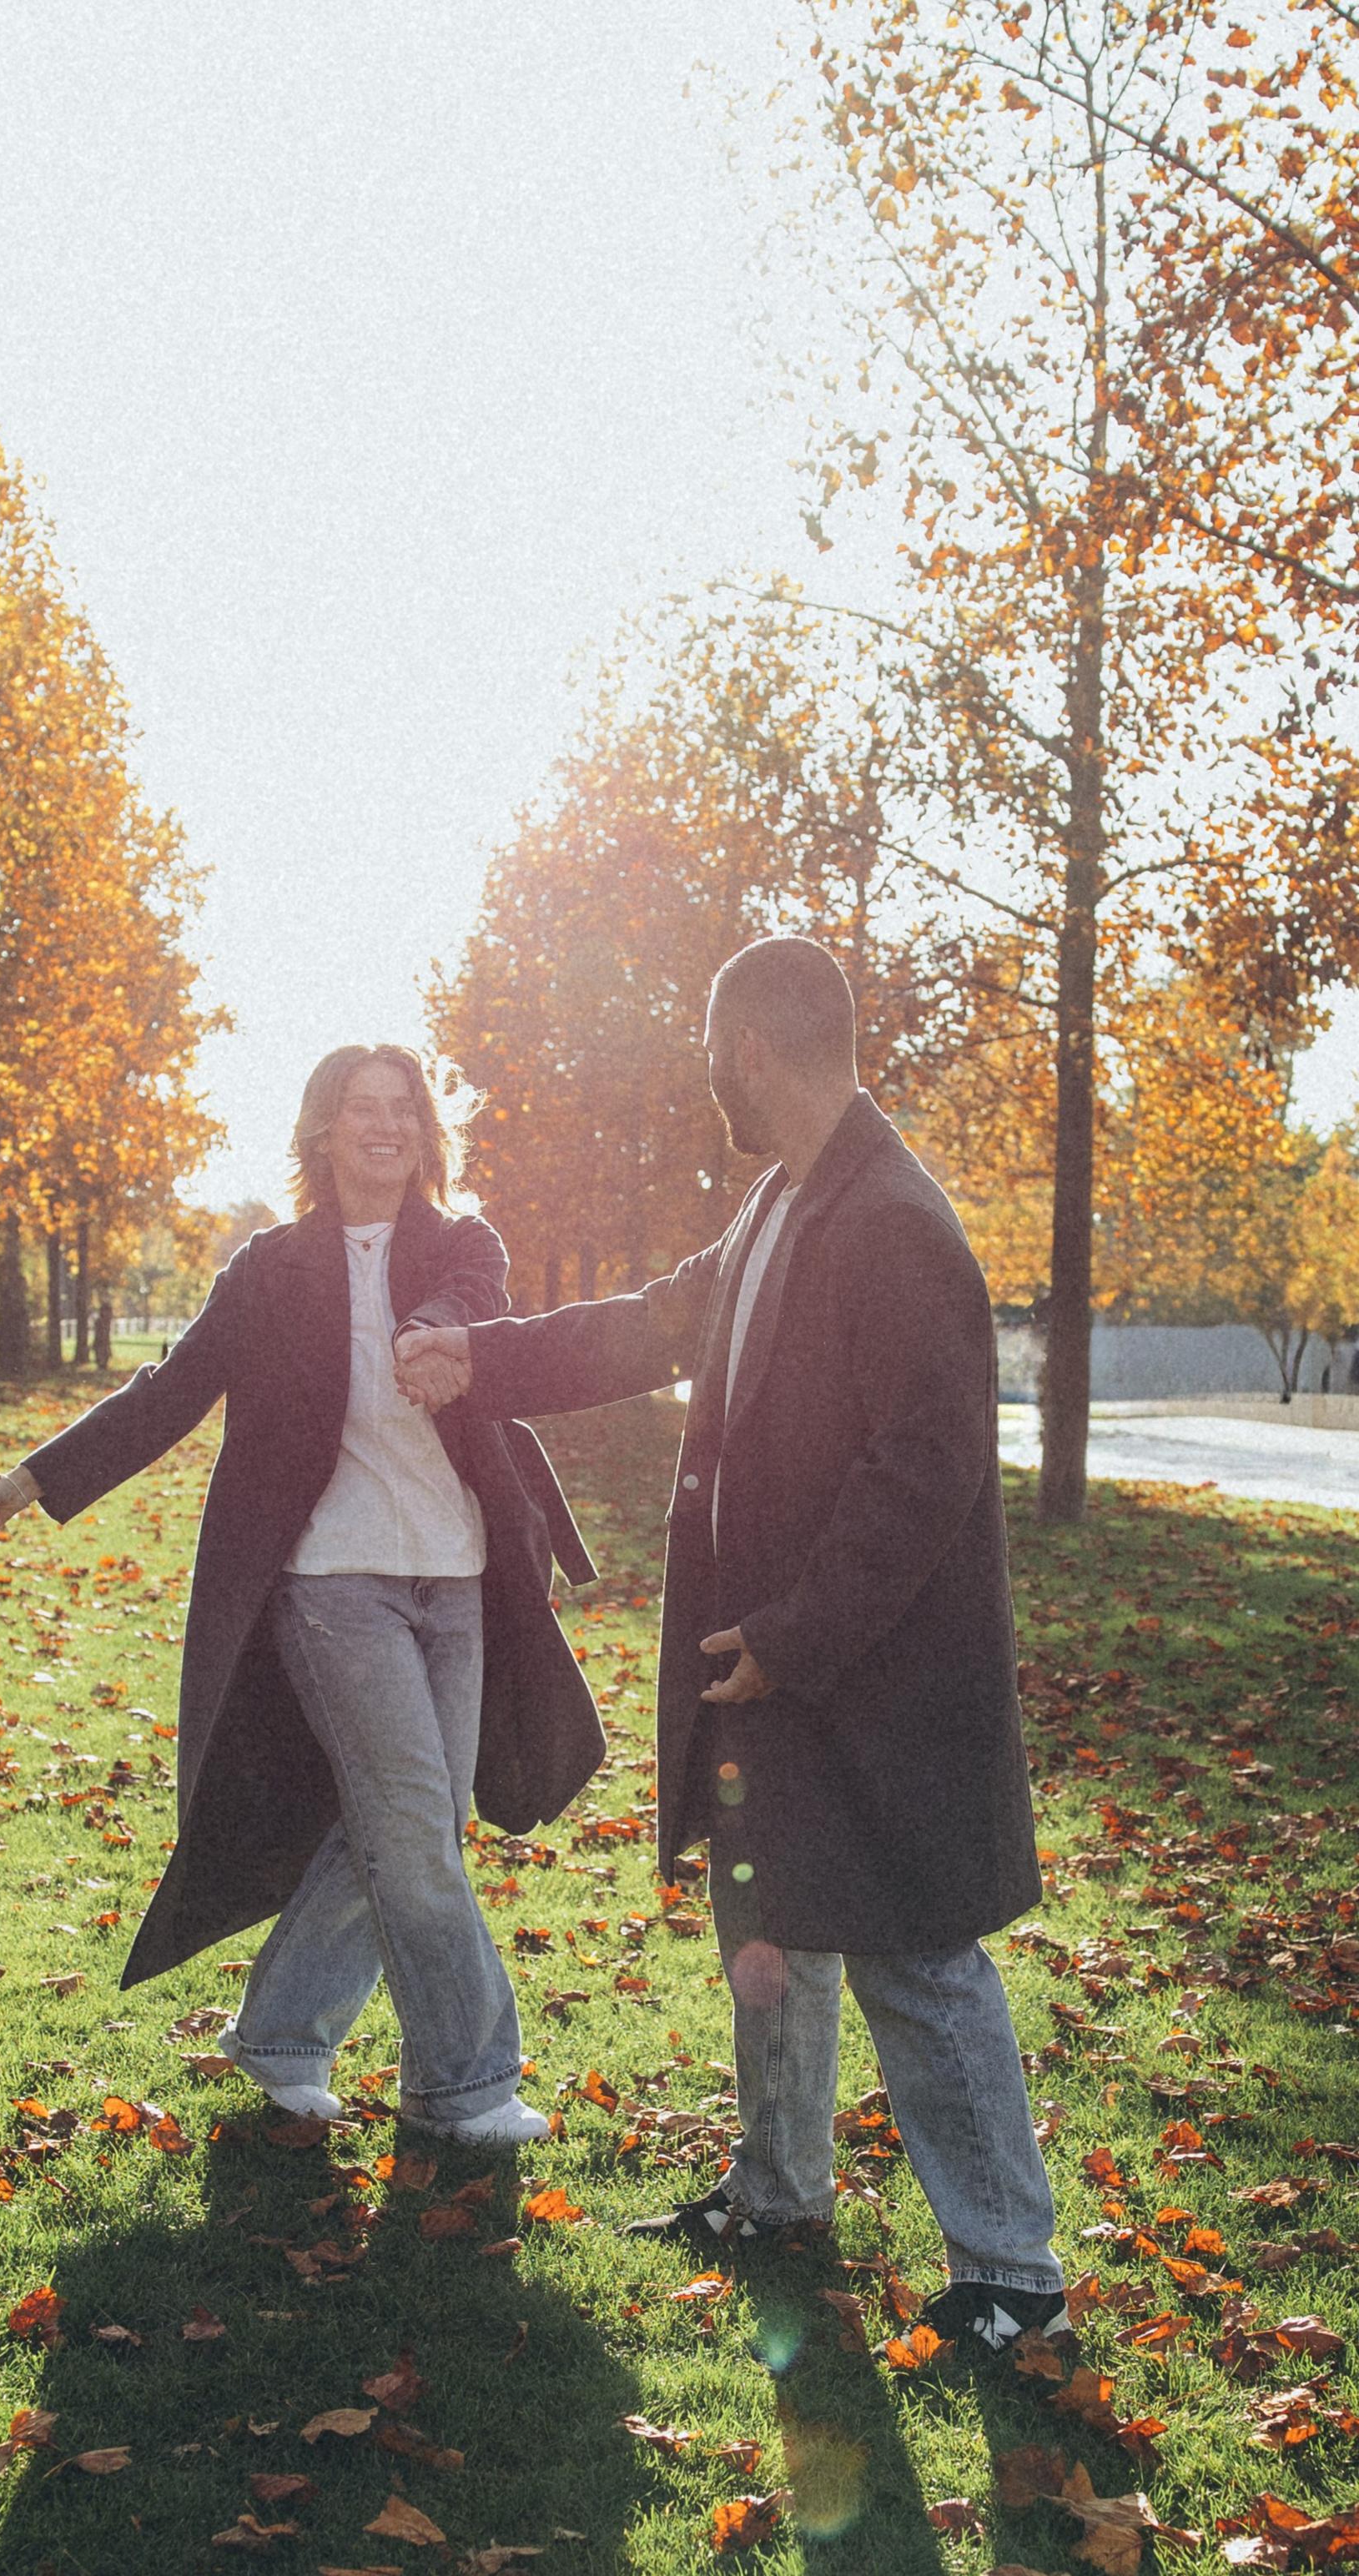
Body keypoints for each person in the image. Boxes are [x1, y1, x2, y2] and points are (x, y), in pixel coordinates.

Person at [396, 937, 1068, 2359]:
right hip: (765, 1663)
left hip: (865, 1675)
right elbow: (646, 1330)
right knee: (769, 1923)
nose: (711, 1080)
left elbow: (928, 1467)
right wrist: (484, 1363)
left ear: (753, 1049)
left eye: (715, 1054)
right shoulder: (780, 1200)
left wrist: (794, 1637)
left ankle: (1014, 2271)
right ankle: (778, 2195)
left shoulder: (890, 1218)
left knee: (916, 1958)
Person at [0, 1044, 604, 2141]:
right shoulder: (268, 1270)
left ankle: (285, 2033)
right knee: (412, 1830)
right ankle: (467, 2086)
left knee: (410, 1824)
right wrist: (30, 1482)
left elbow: (463, 1299)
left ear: (423, 1132)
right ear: (322, 1131)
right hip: (330, 1581)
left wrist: (432, 1330)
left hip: (459, 1575)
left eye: (402, 1110)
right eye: (361, 1110)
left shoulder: (463, 1243)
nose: (384, 1127)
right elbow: (172, 1392)